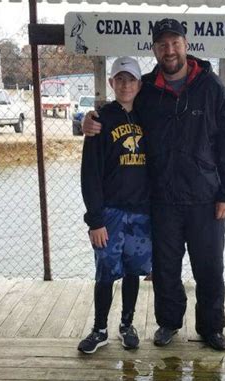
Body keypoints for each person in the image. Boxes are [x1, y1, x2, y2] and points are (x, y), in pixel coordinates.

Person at [84, 19, 225, 351]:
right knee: (166, 268)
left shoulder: (213, 89)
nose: (169, 50)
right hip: (162, 200)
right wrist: (88, 120)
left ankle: (211, 326)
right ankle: (169, 322)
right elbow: (118, 110)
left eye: (175, 43)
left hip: (206, 198)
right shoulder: (145, 89)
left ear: (186, 45)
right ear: (154, 49)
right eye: (162, 45)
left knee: (210, 267)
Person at [77, 56, 151, 354]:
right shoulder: (100, 120)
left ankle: (126, 324)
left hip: (143, 212)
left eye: (131, 79)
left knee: (133, 270)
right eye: (119, 79)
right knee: (106, 272)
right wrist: (95, 220)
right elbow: (89, 174)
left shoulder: (150, 115)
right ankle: (100, 329)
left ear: (139, 84)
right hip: (110, 213)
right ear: (111, 83)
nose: (125, 85)